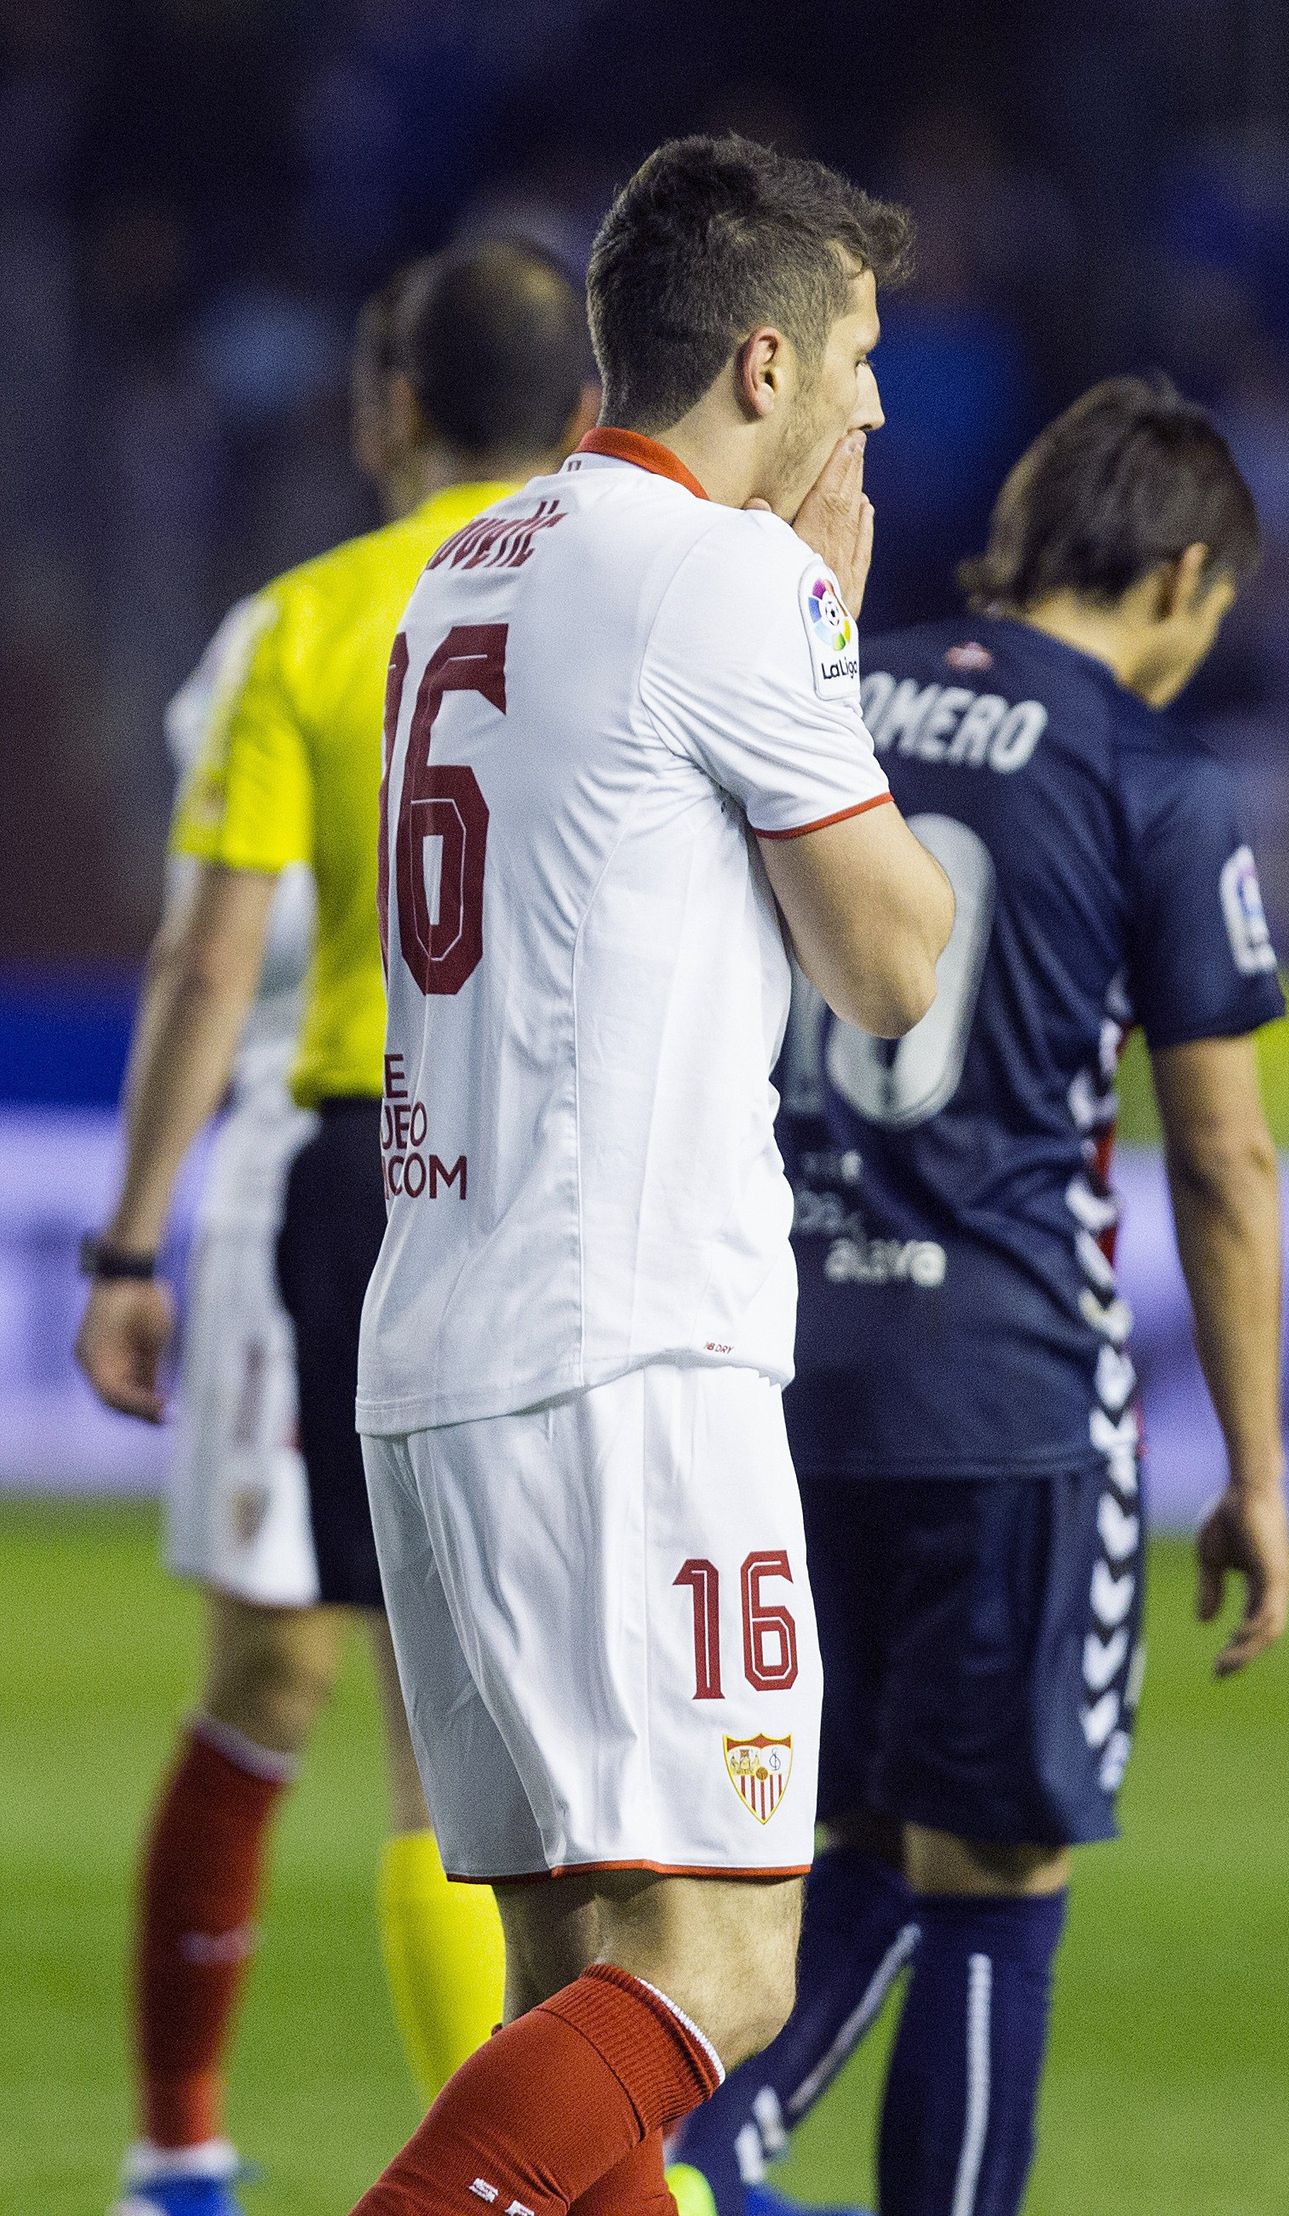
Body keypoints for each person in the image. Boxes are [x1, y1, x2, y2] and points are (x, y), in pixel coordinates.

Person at [346, 134, 954, 2216]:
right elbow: (888, 964)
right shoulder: (724, 578)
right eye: (861, 357)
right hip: (631, 1357)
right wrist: (829, 655)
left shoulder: (470, 560)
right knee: (719, 1968)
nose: (877, 407)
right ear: (765, 362)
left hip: (440, 1337)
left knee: (573, 1998)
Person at [672, 375, 1289, 2216]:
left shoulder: (827, 681)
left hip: (775, 1365)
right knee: (997, 1870)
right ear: (1183, 575)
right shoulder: (1152, 775)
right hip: (1008, 1386)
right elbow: (1224, 1159)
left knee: (848, 1827)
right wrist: (1257, 1471)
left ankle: (702, 2154)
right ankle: (715, 2165)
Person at [75, 244, 596, 2216]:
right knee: (456, 1725)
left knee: (296, 1678)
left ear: (383, 406)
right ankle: (224, 2149)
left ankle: (218, 2146)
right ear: (577, 414)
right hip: (544, 1178)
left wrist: (125, 1245)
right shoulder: (614, 610)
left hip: (332, 1172)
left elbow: (211, 951)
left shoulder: (294, 628)